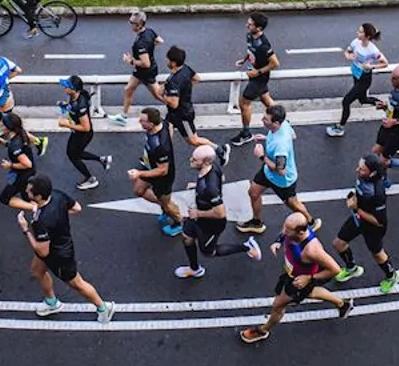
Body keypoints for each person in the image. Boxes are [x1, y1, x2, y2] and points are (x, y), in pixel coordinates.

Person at [239, 212, 352, 344]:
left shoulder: (312, 250)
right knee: (310, 292)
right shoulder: (294, 231)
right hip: (293, 273)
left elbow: (335, 269)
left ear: (300, 232)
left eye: (288, 230)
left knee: (278, 305)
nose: (284, 231)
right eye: (285, 227)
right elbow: (285, 232)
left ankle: (263, 330)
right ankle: (342, 304)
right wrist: (278, 241)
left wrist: (308, 278)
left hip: (298, 281)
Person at [20, 175, 115, 321]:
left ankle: (103, 308)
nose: (26, 192)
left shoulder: (41, 221)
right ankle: (51, 302)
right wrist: (59, 219)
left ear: (38, 196)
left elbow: (42, 251)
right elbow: (77, 208)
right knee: (37, 271)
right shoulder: (57, 195)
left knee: (77, 283)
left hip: (59, 254)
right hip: (58, 243)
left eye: (29, 191)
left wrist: (25, 229)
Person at [176, 144, 260, 278]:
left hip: (210, 225)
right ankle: (194, 269)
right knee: (187, 237)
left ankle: (247, 247)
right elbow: (222, 178)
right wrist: (197, 185)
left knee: (209, 252)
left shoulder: (210, 188)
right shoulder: (213, 167)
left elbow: (220, 213)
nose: (191, 160)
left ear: (205, 162)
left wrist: (197, 213)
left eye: (195, 159)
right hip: (198, 217)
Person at [332, 153, 399, 289]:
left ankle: (392, 276)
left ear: (372, 173)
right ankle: (351, 268)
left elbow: (379, 221)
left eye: (361, 169)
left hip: (373, 227)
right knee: (338, 243)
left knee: (377, 254)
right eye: (358, 167)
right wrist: (353, 197)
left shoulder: (377, 193)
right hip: (358, 218)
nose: (357, 170)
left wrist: (356, 208)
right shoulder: (362, 176)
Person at [237, 103, 310, 237]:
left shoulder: (280, 146)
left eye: (265, 119)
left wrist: (262, 156)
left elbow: (280, 170)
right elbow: (293, 136)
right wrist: (267, 138)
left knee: (293, 204)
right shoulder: (284, 126)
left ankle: (310, 222)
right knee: (253, 193)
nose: (262, 120)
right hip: (267, 173)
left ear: (276, 123)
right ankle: (256, 223)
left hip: (283, 180)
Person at [127, 107, 183, 236]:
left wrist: (139, 174)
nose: (139, 122)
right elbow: (170, 126)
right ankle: (164, 207)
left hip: (162, 177)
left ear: (151, 124)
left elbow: (163, 170)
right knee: (139, 191)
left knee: (168, 205)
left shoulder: (159, 146)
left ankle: (179, 222)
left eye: (142, 121)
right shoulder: (162, 123)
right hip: (149, 166)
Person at [328, 22, 388, 136]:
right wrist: (348, 56)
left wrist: (371, 66)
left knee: (346, 101)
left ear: (367, 36)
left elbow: (385, 63)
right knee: (363, 100)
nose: (357, 33)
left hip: (364, 79)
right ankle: (384, 105)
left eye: (360, 32)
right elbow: (347, 51)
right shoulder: (356, 42)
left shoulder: (372, 50)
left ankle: (340, 127)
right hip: (356, 74)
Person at [57, 75, 109, 190]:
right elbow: (73, 107)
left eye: (67, 87)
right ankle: (102, 159)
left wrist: (67, 124)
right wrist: (66, 106)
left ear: (74, 89)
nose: (64, 88)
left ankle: (91, 179)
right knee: (76, 153)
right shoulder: (75, 96)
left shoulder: (80, 106)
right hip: (79, 133)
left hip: (82, 135)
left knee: (73, 155)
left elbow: (86, 127)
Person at [234, 12, 279, 142]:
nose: (247, 24)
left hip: (259, 78)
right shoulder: (250, 35)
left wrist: (258, 72)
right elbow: (250, 50)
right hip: (254, 73)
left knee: (244, 103)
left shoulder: (263, 44)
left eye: (250, 24)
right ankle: (282, 122)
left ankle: (246, 133)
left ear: (258, 28)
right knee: (266, 100)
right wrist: (244, 60)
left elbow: (275, 63)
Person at [160, 47, 200, 156]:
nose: (166, 62)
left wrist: (162, 95)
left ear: (173, 63)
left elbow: (174, 103)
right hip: (175, 114)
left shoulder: (175, 81)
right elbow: (197, 78)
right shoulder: (186, 69)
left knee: (193, 140)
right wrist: (185, 88)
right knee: (166, 131)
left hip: (182, 115)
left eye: (168, 60)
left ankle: (219, 149)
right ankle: (163, 155)